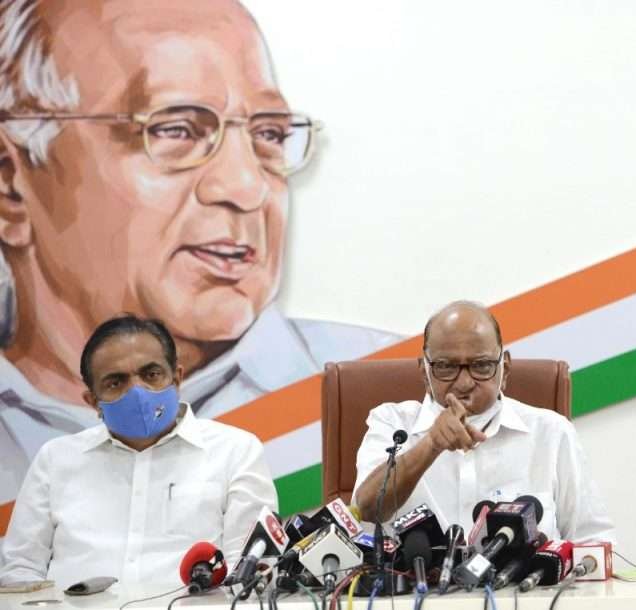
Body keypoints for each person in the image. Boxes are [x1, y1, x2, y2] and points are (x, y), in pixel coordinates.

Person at [0, 0, 398, 513]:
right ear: (10, 183)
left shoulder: (387, 397)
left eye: (269, 134)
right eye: (175, 129)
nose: (248, 186)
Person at [0, 315, 277, 587]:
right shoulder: (56, 460)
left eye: (151, 374)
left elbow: (248, 568)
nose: (137, 391)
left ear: (177, 379)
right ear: (93, 401)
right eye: (115, 382)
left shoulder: (235, 451)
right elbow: (21, 568)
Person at [353, 301, 615, 542]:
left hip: (525, 580)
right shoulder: (392, 423)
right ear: (424, 372)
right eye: (446, 366)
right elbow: (366, 510)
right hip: (416, 580)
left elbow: (593, 541)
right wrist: (431, 444)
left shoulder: (551, 432)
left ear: (505, 369)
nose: (464, 383)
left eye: (481, 366)